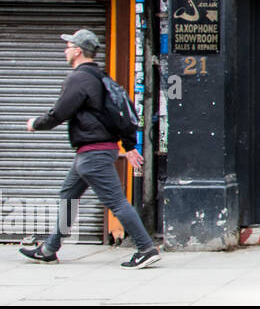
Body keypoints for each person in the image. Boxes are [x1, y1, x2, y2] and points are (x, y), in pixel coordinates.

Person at [19, 29, 161, 268]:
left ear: (77, 51)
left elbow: (61, 112)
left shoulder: (80, 79)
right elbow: (119, 112)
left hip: (93, 153)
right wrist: (128, 145)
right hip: (91, 152)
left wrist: (36, 124)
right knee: (68, 195)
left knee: (116, 202)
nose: (65, 50)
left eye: (68, 46)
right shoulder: (101, 77)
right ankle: (49, 249)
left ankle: (146, 248)